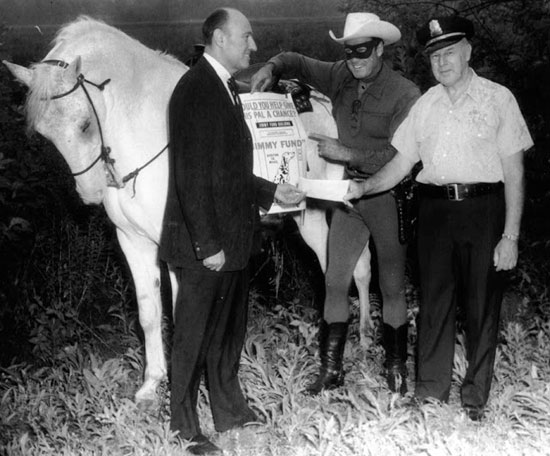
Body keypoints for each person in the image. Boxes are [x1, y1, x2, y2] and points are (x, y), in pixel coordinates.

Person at [344, 15, 533, 420]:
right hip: (433, 213)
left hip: (485, 210)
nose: (442, 62)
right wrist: (363, 187)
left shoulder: (499, 99)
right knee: (433, 302)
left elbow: (515, 173)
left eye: (449, 52)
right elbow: (400, 164)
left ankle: (475, 398)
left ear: (467, 52)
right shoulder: (425, 104)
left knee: (482, 305)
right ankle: (430, 392)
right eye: (435, 56)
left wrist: (510, 235)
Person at [250, 12, 420, 395]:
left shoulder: (405, 93)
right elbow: (295, 60)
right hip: (348, 199)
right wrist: (271, 66)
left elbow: (402, 156)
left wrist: (346, 152)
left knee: (392, 285)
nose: (355, 59)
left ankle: (396, 370)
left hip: (387, 195)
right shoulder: (341, 75)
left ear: (379, 48)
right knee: (334, 279)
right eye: (348, 51)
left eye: (362, 50)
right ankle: (331, 371)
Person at [159, 8, 304, 455]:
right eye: (246, 37)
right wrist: (208, 245)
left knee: (226, 333)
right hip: (208, 244)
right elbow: (190, 176)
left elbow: (227, 170)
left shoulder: (223, 88)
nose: (253, 46)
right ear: (220, 38)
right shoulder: (195, 90)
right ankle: (184, 428)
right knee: (193, 337)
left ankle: (229, 409)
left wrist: (271, 192)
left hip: (232, 238)